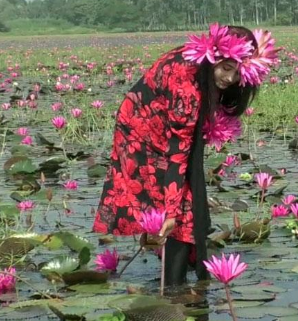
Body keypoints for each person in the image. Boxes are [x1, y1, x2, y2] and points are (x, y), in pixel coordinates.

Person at [92, 23, 279, 287]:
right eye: (226, 68)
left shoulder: (201, 65)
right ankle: (173, 288)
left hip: (165, 118)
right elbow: (177, 155)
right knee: (182, 212)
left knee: (187, 202)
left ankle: (184, 267)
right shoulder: (187, 89)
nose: (230, 80)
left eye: (238, 74)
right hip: (141, 129)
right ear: (213, 55)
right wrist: (170, 212)